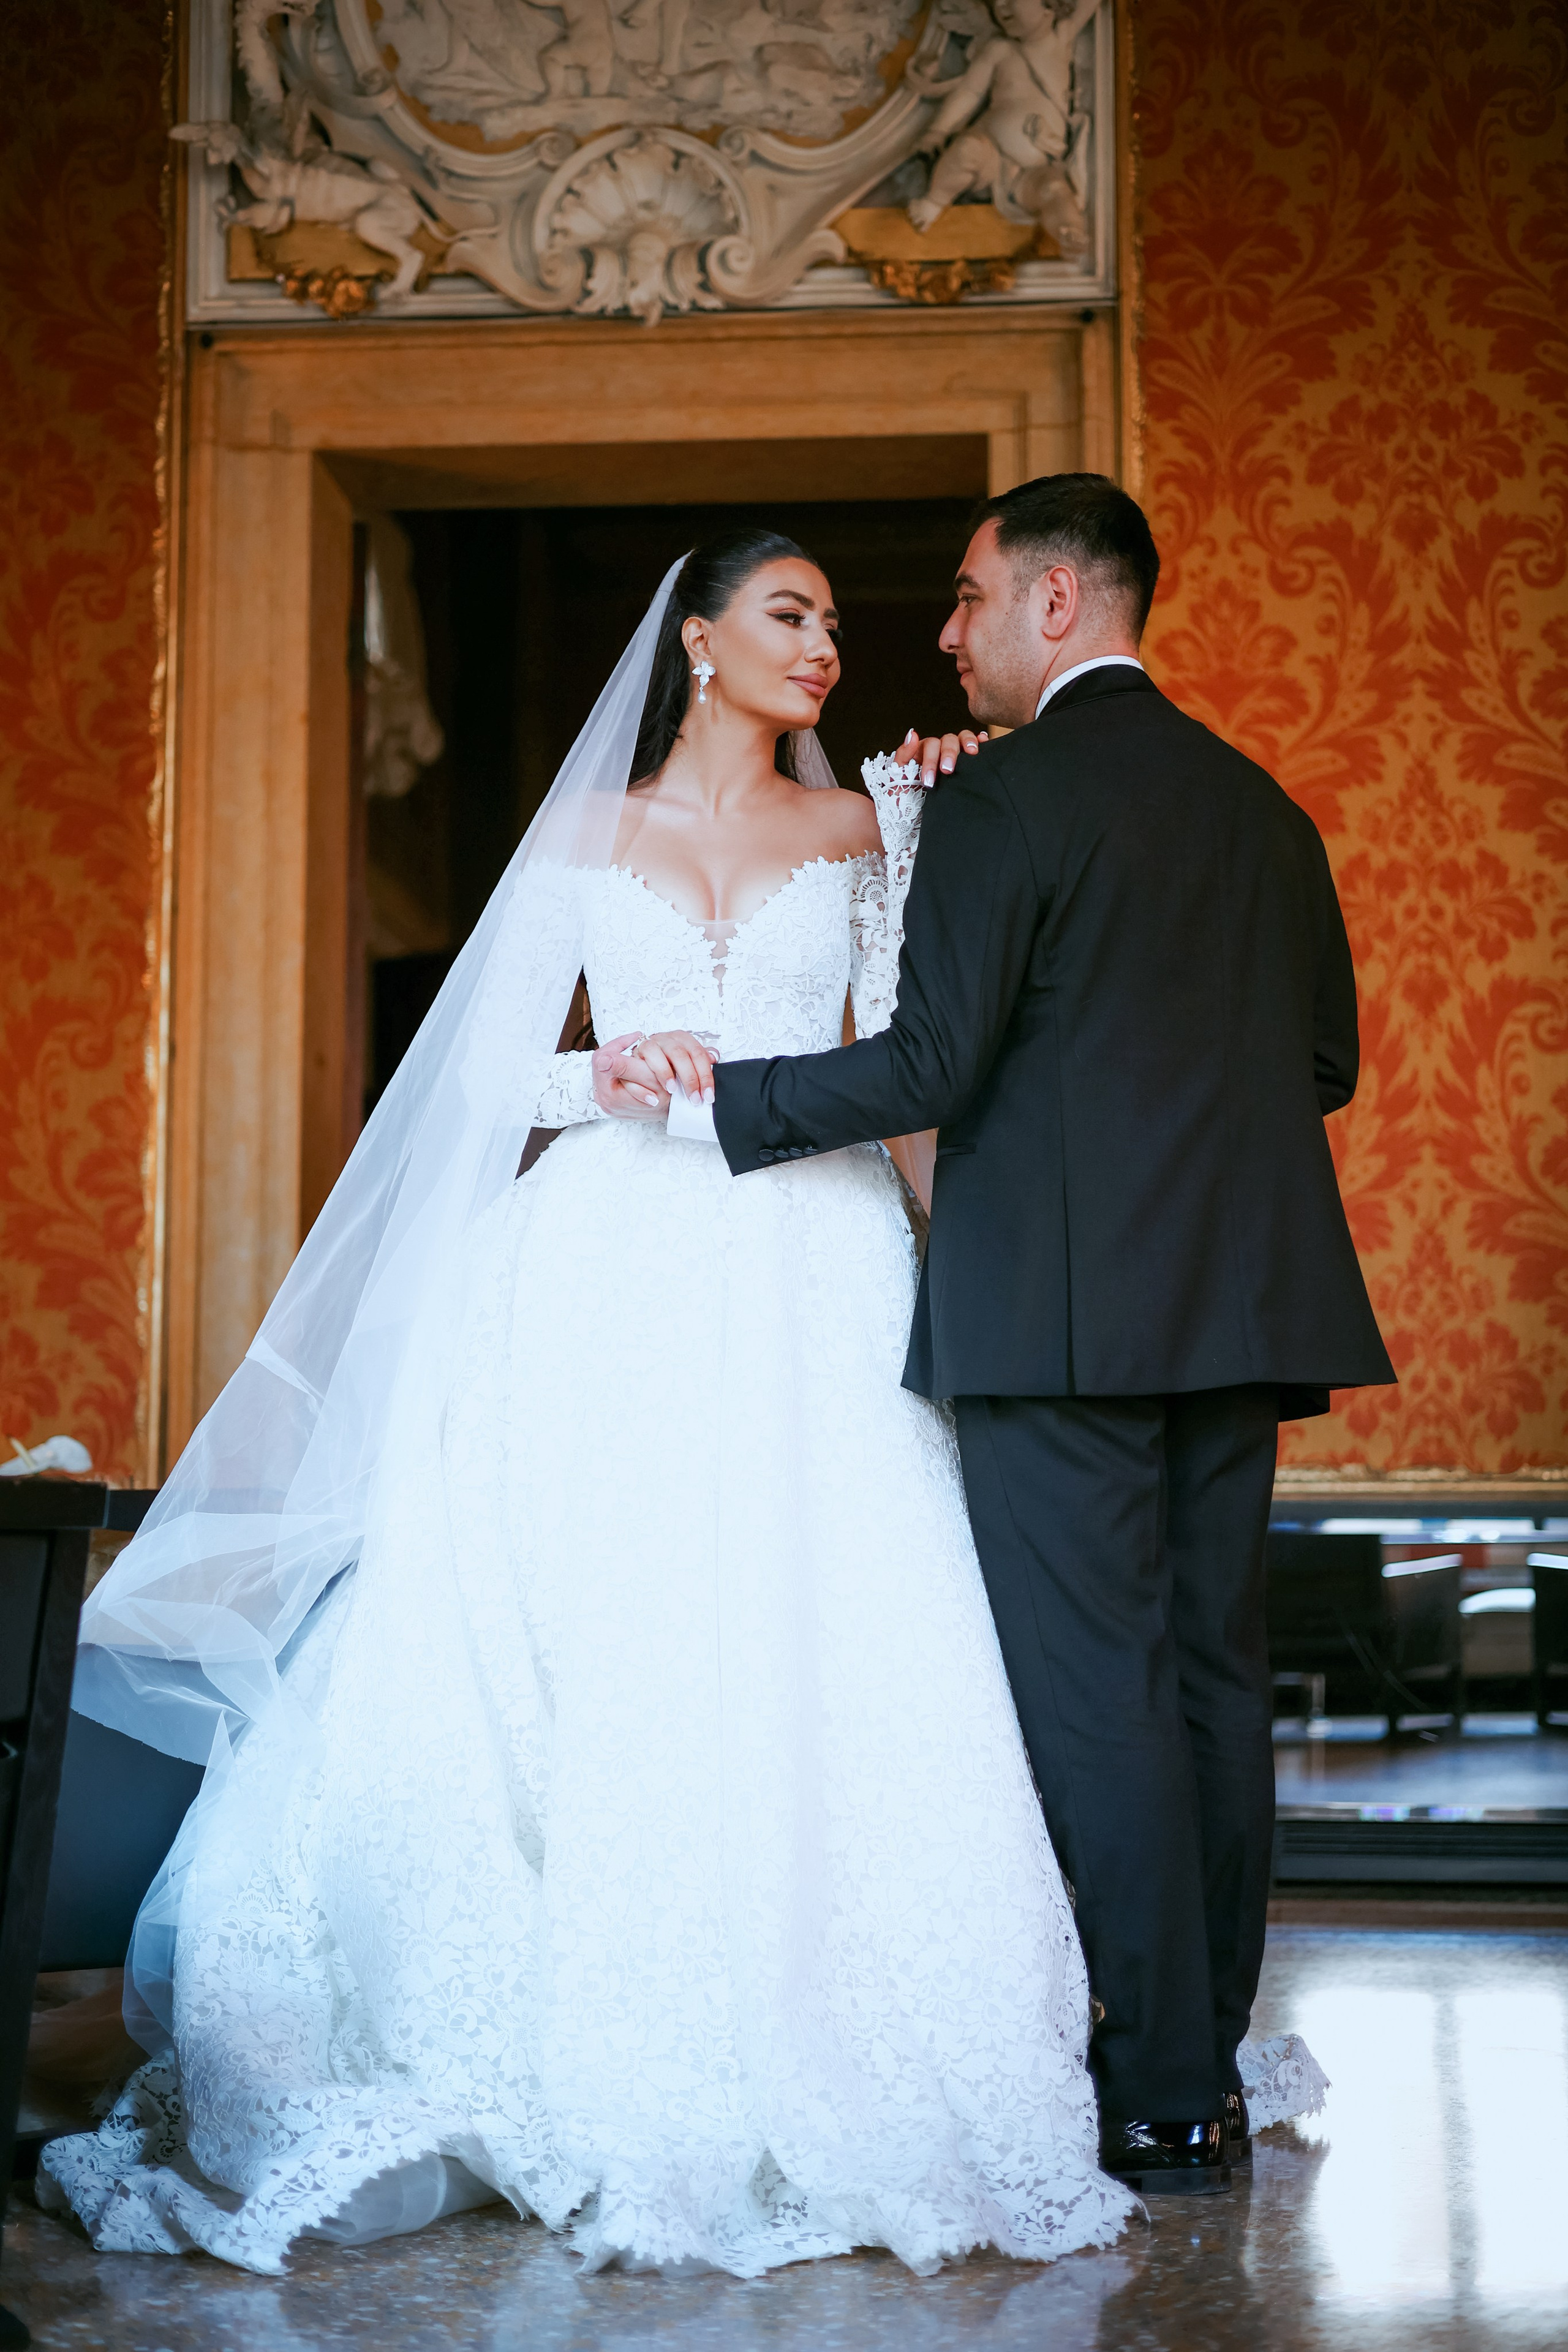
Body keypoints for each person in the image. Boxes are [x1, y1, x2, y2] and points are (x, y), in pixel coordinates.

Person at [42, 527, 1189, 2278]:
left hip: (817, 1259)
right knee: (604, 1614)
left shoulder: (876, 828)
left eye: (832, 622)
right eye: (789, 617)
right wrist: (611, 1064)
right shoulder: (588, 836)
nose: (827, 645)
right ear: (701, 645)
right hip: (609, 1260)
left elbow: (919, 1068)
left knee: (829, 1623)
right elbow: (480, 1066)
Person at [612, 476, 1390, 2193]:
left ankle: (1161, 2087)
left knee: (1095, 1691)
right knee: (1211, 1678)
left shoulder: (1004, 805)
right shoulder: (1265, 809)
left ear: (1056, 606)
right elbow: (1321, 1063)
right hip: (1240, 1304)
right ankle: (1214, 2068)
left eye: (965, 602)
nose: (943, 634)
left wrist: (706, 1105)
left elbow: (929, 1071)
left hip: (1053, 1314)